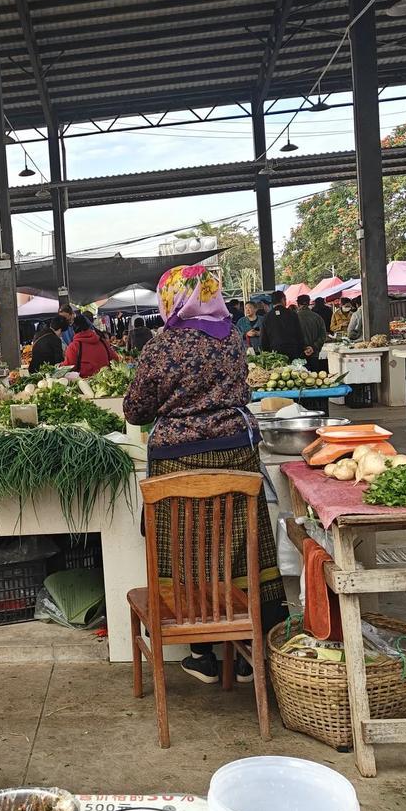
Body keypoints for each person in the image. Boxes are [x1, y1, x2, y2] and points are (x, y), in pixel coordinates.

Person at [123, 264, 285, 684]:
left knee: (188, 548)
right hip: (236, 453)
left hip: (179, 458)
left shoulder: (162, 347)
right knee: (238, 542)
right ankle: (252, 649)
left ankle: (201, 652)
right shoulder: (232, 338)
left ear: (173, 299)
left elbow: (135, 409)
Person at [259, 290, 305, 359]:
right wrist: (301, 350)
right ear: (283, 299)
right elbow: (299, 334)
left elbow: (263, 339)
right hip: (292, 351)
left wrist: (267, 354)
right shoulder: (292, 314)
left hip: (275, 354)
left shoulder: (266, 317)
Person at [294, 295, 328, 369]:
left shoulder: (294, 318)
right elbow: (323, 336)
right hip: (314, 354)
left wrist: (303, 348)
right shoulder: (318, 317)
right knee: (315, 377)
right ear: (309, 303)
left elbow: (292, 337)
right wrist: (313, 347)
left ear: (298, 304)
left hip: (300, 356)